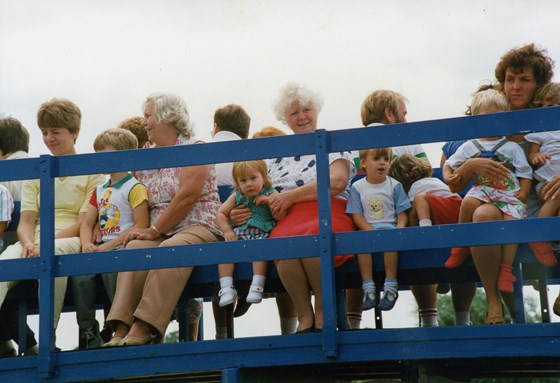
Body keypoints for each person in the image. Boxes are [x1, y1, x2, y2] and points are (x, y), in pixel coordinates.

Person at [232, 83, 357, 333]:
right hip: (287, 219)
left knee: (313, 239)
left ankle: (323, 309)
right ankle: (304, 314)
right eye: (293, 113)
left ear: (316, 111)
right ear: (285, 119)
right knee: (282, 243)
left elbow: (337, 181)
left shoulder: (334, 143)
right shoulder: (277, 154)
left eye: (306, 110)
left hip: (328, 210)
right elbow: (262, 190)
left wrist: (290, 197)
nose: (301, 117)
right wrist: (244, 210)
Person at [447, 44, 555, 324]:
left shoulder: (548, 118)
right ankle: (495, 302)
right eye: (510, 79)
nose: (515, 86)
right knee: (483, 216)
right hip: (493, 201)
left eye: (525, 79)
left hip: (537, 202)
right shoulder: (487, 120)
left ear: (538, 85)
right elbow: (452, 172)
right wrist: (470, 165)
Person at [103, 92, 221, 347]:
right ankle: (121, 327)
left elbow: (187, 197)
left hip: (196, 224)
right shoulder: (145, 155)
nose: (143, 122)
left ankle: (144, 326)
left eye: (148, 115)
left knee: (170, 251)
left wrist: (155, 229)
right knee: (133, 249)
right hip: (157, 231)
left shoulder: (195, 149)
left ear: (167, 117)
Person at [0, 99, 106, 343]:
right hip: (35, 239)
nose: (49, 138)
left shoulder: (92, 171)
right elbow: (26, 219)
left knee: (52, 259)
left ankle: (49, 337)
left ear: (74, 132)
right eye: (45, 132)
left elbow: (83, 223)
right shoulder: (37, 170)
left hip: (70, 238)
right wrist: (27, 243)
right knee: (3, 265)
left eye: (55, 132)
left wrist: (44, 244)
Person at [444, 88, 533, 308]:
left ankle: (505, 268)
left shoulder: (510, 147)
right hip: (482, 191)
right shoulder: (470, 146)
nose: (490, 124)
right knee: (468, 202)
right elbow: (448, 166)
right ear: (475, 120)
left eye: (496, 118)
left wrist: (522, 192)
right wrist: (451, 176)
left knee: (512, 219)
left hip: (504, 193)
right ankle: (462, 243)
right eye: (485, 119)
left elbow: (525, 173)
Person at [74, 128, 149, 349]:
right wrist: (87, 243)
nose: (100, 159)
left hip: (121, 246)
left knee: (111, 272)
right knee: (80, 274)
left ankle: (119, 324)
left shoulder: (134, 187)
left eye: (106, 153)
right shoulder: (99, 190)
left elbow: (141, 224)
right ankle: (88, 328)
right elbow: (87, 223)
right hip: (100, 247)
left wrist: (110, 245)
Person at [389, 154, 475, 326]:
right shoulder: (434, 181)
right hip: (457, 215)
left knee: (418, 202)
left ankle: (424, 229)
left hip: (443, 213)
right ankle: (463, 321)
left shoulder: (416, 186)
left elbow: (413, 208)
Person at [346, 147, 410, 311]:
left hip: (389, 227)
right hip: (368, 229)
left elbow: (402, 213)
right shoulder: (357, 187)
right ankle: (368, 288)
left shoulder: (394, 185)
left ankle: (390, 287)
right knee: (361, 241)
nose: (382, 162)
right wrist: (370, 231)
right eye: (376, 159)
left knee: (389, 239)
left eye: (386, 159)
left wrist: (399, 229)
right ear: (364, 163)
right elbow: (357, 216)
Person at [0, 116, 39, 356]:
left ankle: (9, 344)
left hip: (13, 254)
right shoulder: (37, 167)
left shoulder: (5, 173)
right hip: (38, 248)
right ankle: (27, 344)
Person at [216, 160, 277, 307]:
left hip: (262, 235)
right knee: (224, 253)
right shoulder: (237, 196)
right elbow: (220, 213)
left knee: (259, 252)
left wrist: (269, 202)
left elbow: (281, 214)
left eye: (253, 178)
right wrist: (227, 230)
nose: (248, 184)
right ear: (237, 183)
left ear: (263, 177)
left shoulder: (271, 192)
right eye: (243, 180)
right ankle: (226, 288)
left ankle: (257, 285)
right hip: (240, 234)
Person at [524, 83, 560, 264]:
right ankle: (539, 235)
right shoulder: (541, 132)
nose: (554, 110)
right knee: (557, 195)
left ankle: (554, 241)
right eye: (549, 106)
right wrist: (537, 156)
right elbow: (532, 153)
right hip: (546, 182)